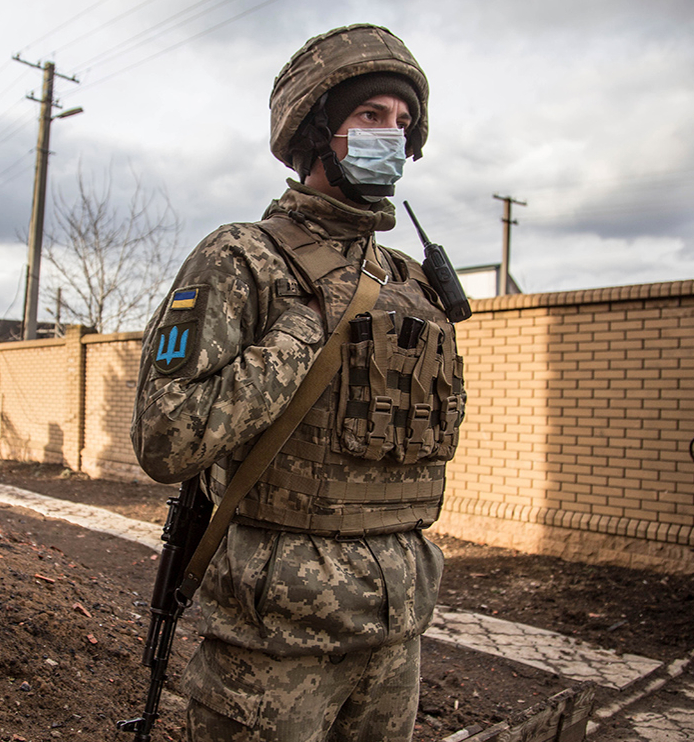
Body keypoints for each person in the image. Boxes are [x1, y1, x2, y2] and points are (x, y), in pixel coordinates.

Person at [131, 24, 466, 742]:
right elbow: (165, 440)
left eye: (402, 122)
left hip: (395, 623)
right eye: (369, 116)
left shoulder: (406, 279)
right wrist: (294, 337)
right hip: (275, 637)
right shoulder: (242, 259)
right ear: (317, 131)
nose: (391, 136)